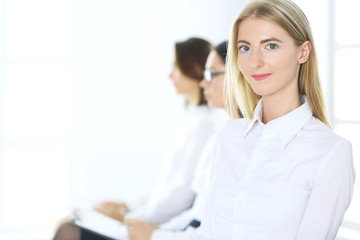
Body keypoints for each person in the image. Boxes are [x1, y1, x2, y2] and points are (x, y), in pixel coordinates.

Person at [198, 0, 356, 239]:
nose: (254, 62)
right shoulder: (229, 136)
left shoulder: (331, 153)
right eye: (245, 48)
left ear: (303, 52)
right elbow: (208, 231)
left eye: (270, 46)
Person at [53, 37, 224, 240]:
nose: (170, 75)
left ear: (193, 69)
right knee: (68, 222)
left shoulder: (206, 126)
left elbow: (181, 198)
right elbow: (166, 187)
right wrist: (127, 207)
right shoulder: (193, 120)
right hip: (164, 223)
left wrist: (131, 219)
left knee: (68, 229)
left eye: (176, 68)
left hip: (165, 223)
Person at [126, 41, 231, 240]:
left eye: (210, 74)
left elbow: (183, 199)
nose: (203, 82)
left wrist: (144, 226)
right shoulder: (214, 126)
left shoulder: (209, 127)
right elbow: (193, 211)